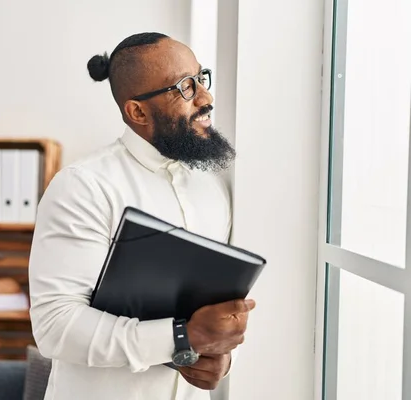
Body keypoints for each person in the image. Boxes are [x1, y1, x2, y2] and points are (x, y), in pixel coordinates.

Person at [28, 32, 256, 400]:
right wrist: (181, 337)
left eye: (201, 78)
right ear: (137, 112)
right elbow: (55, 326)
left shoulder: (213, 188)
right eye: (184, 87)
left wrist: (222, 358)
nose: (205, 97)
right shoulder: (83, 186)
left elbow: (216, 307)